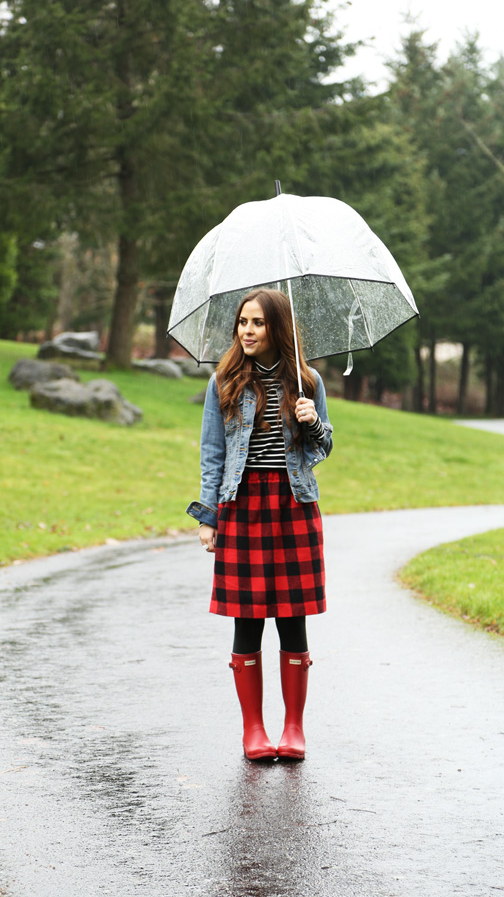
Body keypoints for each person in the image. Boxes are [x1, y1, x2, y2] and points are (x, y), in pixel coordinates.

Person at [187, 288, 333, 761]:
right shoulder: (223, 381)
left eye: (257, 323)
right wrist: (208, 516)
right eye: (242, 323)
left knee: (293, 619)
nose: (246, 331)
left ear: (277, 328)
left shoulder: (306, 381)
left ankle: (293, 729)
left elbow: (323, 448)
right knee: (246, 621)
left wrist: (311, 421)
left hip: (293, 505)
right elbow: (213, 453)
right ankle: (254, 730)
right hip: (242, 506)